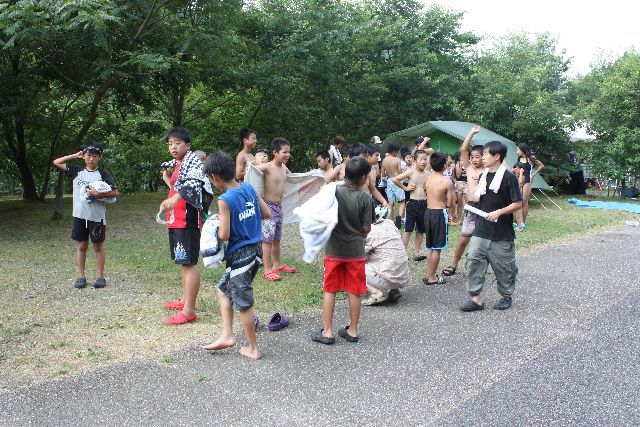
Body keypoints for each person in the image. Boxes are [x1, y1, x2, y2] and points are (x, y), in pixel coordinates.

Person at [202, 151, 271, 360]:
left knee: (243, 304)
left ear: (214, 177)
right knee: (223, 290)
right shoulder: (249, 188)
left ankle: (253, 348)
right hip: (255, 252)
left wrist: (213, 229)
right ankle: (227, 335)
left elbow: (224, 234)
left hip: (240, 257)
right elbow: (266, 213)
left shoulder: (225, 199)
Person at [311, 156, 374, 345]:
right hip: (355, 252)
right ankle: (353, 331)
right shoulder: (365, 198)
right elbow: (366, 228)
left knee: (330, 290)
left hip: (334, 250)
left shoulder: (333, 192)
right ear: (363, 177)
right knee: (354, 291)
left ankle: (328, 331)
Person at [461, 140, 522, 312]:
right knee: (473, 261)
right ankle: (475, 299)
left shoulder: (509, 177)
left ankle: (506, 296)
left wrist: (499, 212)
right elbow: (483, 200)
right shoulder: (483, 176)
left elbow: (518, 203)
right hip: (481, 229)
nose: (483, 157)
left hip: (502, 232)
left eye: (486, 154)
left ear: (497, 156)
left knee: (504, 268)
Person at [160, 127, 213, 325]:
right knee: (183, 262)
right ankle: (185, 300)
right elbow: (178, 186)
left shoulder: (193, 163)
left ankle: (189, 310)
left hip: (188, 219)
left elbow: (192, 185)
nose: (173, 147)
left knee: (189, 263)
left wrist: (174, 199)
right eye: (170, 144)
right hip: (176, 218)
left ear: (188, 145)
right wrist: (168, 182)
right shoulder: (178, 164)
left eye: (177, 143)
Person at [53, 142, 119, 289]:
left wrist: (98, 194)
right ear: (83, 156)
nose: (91, 159)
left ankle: (100, 277)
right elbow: (57, 162)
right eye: (88, 155)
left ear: (99, 157)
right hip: (79, 215)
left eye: (95, 156)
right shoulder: (77, 171)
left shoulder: (103, 174)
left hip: (97, 216)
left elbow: (115, 192)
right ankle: (81, 276)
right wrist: (74, 155)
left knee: (98, 246)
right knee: (81, 246)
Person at [442, 125, 483, 277]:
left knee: (482, 240)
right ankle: (454, 264)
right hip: (471, 207)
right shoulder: (469, 168)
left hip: (485, 208)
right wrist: (471, 133)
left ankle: (477, 266)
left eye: (477, 157)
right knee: (464, 238)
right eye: (472, 157)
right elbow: (463, 150)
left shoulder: (488, 170)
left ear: (485, 157)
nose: (474, 159)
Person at [256, 137, 296, 281]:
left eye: (289, 152)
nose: (288, 155)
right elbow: (251, 172)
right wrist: (252, 164)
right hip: (268, 208)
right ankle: (267, 269)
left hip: (278, 208)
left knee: (276, 239)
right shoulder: (267, 167)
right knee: (267, 240)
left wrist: (313, 176)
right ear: (275, 152)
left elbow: (295, 178)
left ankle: (277, 264)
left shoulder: (284, 167)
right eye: (284, 152)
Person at [361, 217, 411, 306]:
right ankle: (395, 290)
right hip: (403, 276)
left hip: (389, 278)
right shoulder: (390, 223)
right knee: (387, 255)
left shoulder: (368, 231)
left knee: (350, 266)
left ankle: (376, 292)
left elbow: (356, 254)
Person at [393, 150, 430, 261]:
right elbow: (395, 179)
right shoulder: (411, 171)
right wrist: (406, 188)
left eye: (425, 159)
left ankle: (416, 253)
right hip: (413, 203)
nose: (423, 162)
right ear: (415, 160)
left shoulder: (428, 174)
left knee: (421, 230)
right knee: (408, 229)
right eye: (421, 159)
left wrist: (428, 188)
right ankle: (402, 254)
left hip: (424, 203)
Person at [422, 152, 453, 286]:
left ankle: (429, 274)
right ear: (444, 165)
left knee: (432, 247)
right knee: (437, 248)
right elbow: (450, 203)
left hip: (428, 212)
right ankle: (432, 277)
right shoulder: (447, 182)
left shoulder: (428, 179)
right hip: (439, 213)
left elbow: (426, 193)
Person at [513, 143, 544, 231]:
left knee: (524, 202)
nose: (517, 152)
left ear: (522, 150)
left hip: (527, 182)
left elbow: (541, 166)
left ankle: (523, 221)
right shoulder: (519, 158)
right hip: (520, 180)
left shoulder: (530, 158)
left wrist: (534, 174)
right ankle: (518, 220)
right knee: (518, 201)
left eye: (518, 150)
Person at [381, 143, 405, 228]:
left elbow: (383, 174)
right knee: (402, 201)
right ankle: (399, 217)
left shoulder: (384, 160)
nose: (397, 153)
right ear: (394, 151)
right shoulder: (397, 160)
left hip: (389, 181)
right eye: (397, 152)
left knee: (390, 202)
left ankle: (391, 221)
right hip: (397, 180)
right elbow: (400, 172)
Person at [453, 150, 468, 224]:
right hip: (459, 184)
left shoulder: (468, 163)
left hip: (467, 184)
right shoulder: (457, 164)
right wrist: (460, 166)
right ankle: (459, 219)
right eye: (461, 155)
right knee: (459, 203)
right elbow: (458, 176)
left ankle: (467, 219)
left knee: (468, 203)